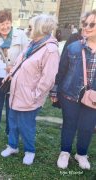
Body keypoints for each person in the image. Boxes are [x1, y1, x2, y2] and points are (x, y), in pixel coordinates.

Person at [0, 14, 60, 165]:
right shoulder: (31, 44)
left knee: (26, 126)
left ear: (40, 28)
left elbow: (48, 79)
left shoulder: (51, 50)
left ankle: (29, 151)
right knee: (12, 122)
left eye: (31, 27)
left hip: (30, 97)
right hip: (16, 93)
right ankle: (12, 146)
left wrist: (35, 96)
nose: (28, 29)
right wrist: (11, 73)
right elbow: (21, 62)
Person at [51, 10, 96, 170]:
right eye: (85, 24)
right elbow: (60, 71)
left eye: (92, 24)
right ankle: (65, 152)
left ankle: (81, 154)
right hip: (70, 95)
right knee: (69, 124)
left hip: (93, 100)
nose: (87, 27)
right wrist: (55, 92)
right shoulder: (73, 47)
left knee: (87, 127)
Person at [0, 10, 28, 142]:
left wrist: (15, 70)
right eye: (2, 24)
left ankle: (10, 131)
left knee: (11, 108)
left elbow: (27, 57)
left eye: (7, 23)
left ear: (11, 22)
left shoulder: (21, 36)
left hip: (14, 79)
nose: (5, 26)